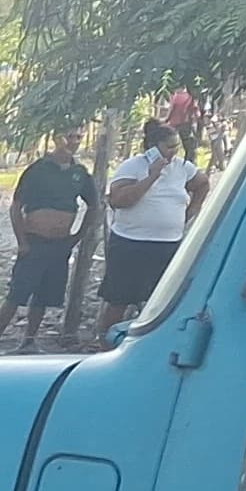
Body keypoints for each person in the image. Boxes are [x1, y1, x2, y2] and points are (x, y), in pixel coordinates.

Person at [98, 118, 203, 332]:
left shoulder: (182, 167)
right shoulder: (133, 166)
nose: (174, 151)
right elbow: (119, 201)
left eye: (177, 147)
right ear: (154, 146)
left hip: (167, 244)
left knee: (163, 297)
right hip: (131, 243)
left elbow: (202, 183)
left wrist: (191, 211)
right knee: (119, 298)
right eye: (169, 147)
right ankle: (105, 342)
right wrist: (152, 176)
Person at [0, 128, 92, 340]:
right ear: (57, 139)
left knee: (44, 296)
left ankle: (30, 338)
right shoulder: (38, 169)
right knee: (18, 292)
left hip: (60, 244)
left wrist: (78, 235)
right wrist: (21, 241)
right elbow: (16, 206)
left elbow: (94, 205)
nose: (73, 141)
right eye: (69, 136)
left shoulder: (80, 173)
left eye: (78, 137)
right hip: (34, 241)